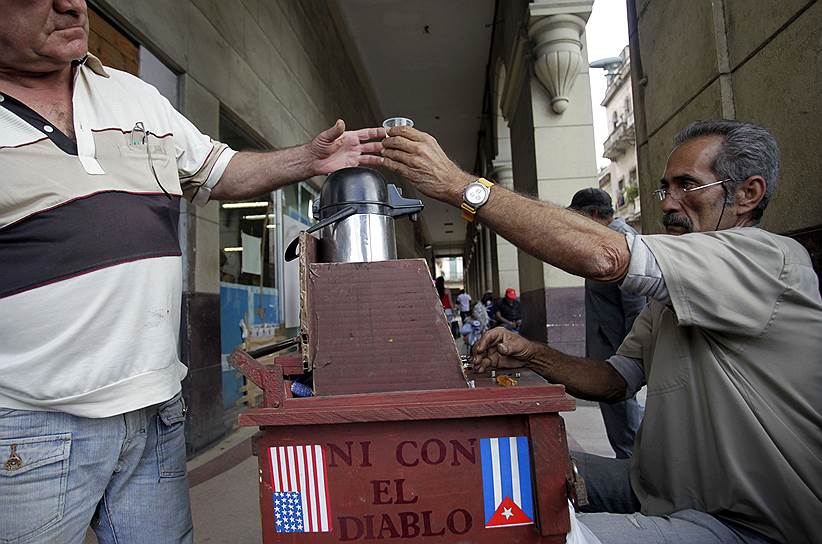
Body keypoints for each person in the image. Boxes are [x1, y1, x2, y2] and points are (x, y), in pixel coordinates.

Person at [0, 2, 384, 542]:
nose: (71, 4)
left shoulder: (133, 96)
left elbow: (218, 169)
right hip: (30, 425)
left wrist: (310, 160)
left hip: (157, 411)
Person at [381, 119, 822, 543]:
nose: (668, 203)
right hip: (655, 485)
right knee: (511, 470)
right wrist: (532, 355)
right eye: (665, 188)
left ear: (748, 193)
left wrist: (461, 186)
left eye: (687, 185)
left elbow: (607, 257)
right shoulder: (678, 293)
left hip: (746, 525)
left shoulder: (768, 259)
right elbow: (615, 380)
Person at [568, 188, 646, 459]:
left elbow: (636, 306)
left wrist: (628, 356)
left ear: (592, 215)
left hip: (617, 350)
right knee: (621, 413)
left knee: (623, 413)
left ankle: (634, 467)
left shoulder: (619, 242)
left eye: (578, 218)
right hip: (610, 344)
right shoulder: (606, 240)